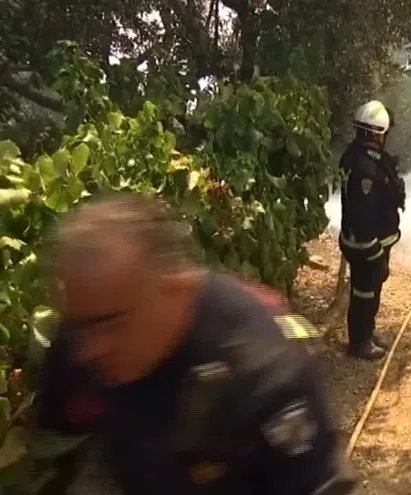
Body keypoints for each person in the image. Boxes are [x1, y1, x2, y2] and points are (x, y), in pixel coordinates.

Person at [36, 193, 357, 494]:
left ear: (176, 288)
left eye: (113, 323)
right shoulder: (85, 330)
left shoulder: (266, 377)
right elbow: (55, 445)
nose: (90, 349)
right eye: (81, 326)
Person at [337, 100, 405, 361]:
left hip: (370, 240)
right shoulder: (364, 168)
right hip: (366, 243)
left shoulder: (358, 158)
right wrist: (374, 250)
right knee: (364, 292)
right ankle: (359, 342)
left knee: (371, 288)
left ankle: (367, 332)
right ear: (377, 133)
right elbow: (362, 213)